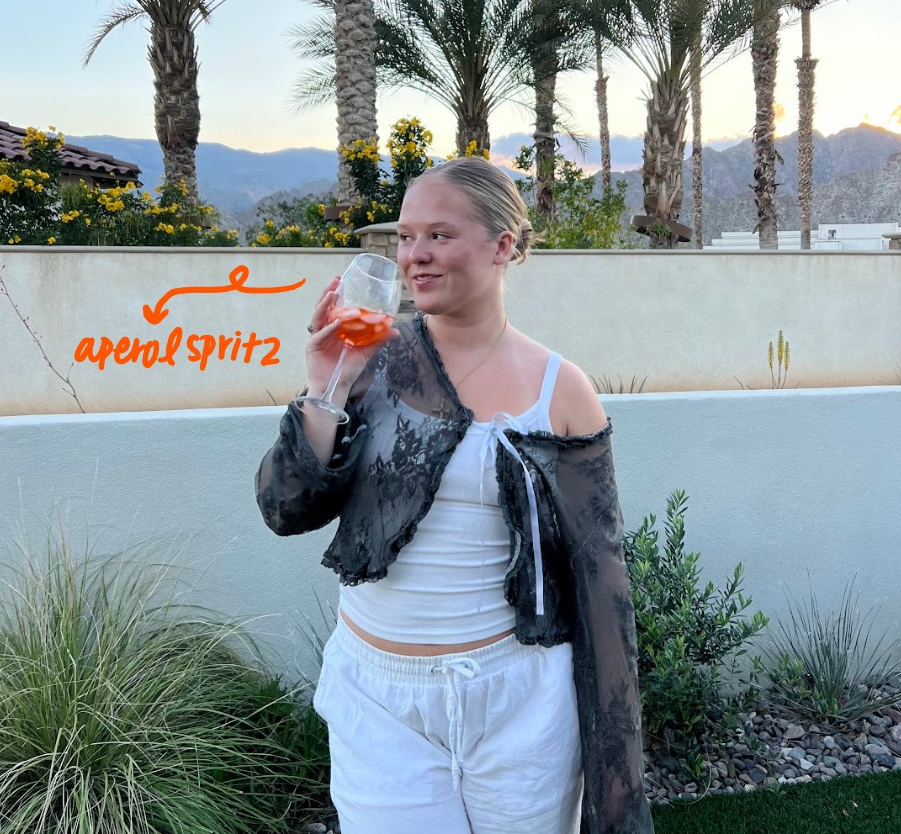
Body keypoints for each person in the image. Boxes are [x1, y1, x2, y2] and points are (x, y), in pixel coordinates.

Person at [255, 157, 654, 834]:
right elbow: (285, 508)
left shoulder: (561, 389)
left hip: (516, 700)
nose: (415, 256)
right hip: (379, 697)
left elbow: (600, 573)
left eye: (438, 235)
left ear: (503, 245)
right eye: (407, 237)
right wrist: (325, 388)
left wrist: (615, 759)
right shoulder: (372, 363)